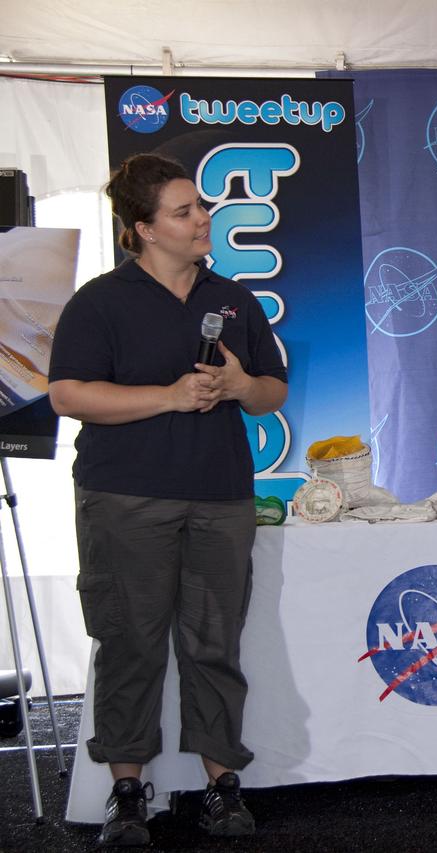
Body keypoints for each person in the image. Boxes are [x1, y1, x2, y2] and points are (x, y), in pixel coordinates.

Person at [48, 154, 288, 846]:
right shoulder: (99, 302)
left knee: (215, 644)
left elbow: (273, 388)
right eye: (184, 211)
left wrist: (241, 387)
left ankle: (222, 785)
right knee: (130, 643)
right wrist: (170, 396)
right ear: (145, 228)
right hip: (124, 499)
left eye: (200, 207)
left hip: (220, 498)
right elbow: (68, 394)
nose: (203, 219)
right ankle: (127, 793)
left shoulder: (233, 299)